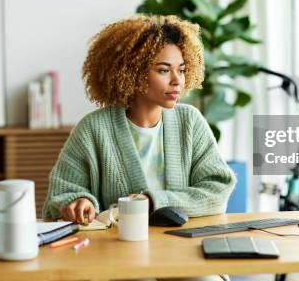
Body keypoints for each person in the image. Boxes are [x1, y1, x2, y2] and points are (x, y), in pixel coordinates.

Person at [42, 14, 236, 224]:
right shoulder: (93, 129)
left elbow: (218, 190)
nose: (177, 80)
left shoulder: (190, 121)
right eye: (163, 70)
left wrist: (154, 202)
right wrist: (78, 201)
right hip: (116, 251)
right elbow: (60, 195)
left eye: (181, 70)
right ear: (131, 72)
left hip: (181, 248)